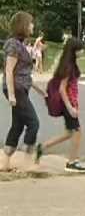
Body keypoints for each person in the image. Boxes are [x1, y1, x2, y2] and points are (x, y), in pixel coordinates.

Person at [1, 12, 47, 172]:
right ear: (23, 25)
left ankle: (5, 161)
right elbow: (8, 71)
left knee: (17, 125)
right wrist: (12, 95)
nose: (32, 26)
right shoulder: (13, 44)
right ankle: (27, 162)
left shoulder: (20, 44)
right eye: (30, 23)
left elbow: (23, 73)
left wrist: (38, 89)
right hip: (17, 90)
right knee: (33, 123)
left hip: (22, 88)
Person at [35, 38, 85, 173]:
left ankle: (43, 147)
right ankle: (72, 162)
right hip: (67, 103)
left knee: (69, 133)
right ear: (74, 51)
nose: (82, 51)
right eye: (80, 49)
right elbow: (62, 89)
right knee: (77, 132)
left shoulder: (69, 64)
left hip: (70, 102)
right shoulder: (68, 67)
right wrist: (70, 107)